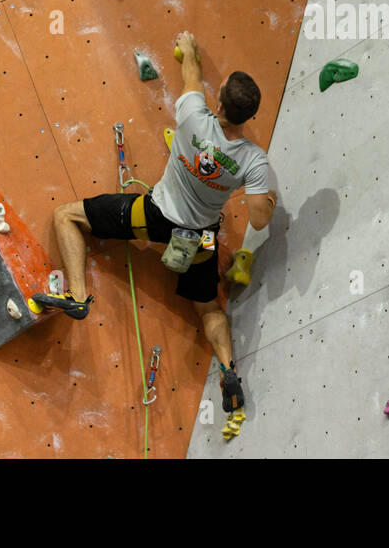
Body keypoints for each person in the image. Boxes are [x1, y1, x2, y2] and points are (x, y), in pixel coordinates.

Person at [34, 31, 277, 413]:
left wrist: (190, 46)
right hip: (202, 241)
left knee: (66, 215)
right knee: (210, 309)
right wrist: (265, 198)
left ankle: (78, 296)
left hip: (155, 217)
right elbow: (261, 221)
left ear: (219, 102)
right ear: (250, 117)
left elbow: (191, 72)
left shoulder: (193, 115)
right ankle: (230, 372)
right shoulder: (254, 161)